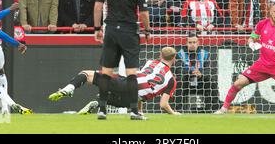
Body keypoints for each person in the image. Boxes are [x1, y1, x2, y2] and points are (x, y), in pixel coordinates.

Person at [93, 0, 151, 120]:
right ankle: (134, 111)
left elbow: (98, 7)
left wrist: (97, 28)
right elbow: (144, 13)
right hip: (129, 30)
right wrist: (147, 31)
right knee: (132, 72)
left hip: (111, 29)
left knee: (106, 71)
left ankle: (102, 109)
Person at [48, 46, 180, 115]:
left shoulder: (151, 62)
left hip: (125, 84)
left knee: (87, 74)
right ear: (174, 59)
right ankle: (98, 103)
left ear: (160, 55)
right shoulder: (171, 80)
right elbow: (163, 105)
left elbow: (140, 80)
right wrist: (174, 113)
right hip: (130, 100)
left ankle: (69, 89)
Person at [174, 32, 219, 113]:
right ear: (186, 43)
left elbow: (210, 69)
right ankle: (179, 109)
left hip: (201, 80)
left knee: (212, 79)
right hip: (186, 80)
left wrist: (201, 74)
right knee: (179, 80)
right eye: (190, 42)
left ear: (198, 43)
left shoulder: (205, 53)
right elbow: (178, 70)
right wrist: (191, 72)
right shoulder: (180, 54)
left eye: (194, 42)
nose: (192, 44)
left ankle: (214, 108)